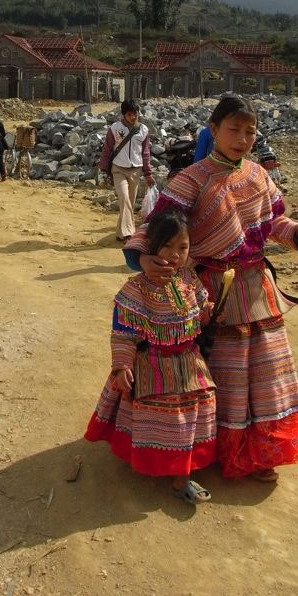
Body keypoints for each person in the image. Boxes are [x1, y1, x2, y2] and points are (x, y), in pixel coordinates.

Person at [123, 94, 298, 483]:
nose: (243, 139)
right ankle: (201, 448)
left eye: (250, 132)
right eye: (234, 129)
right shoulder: (191, 179)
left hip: (257, 289)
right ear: (213, 130)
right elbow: (155, 228)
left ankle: (259, 452)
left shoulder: (258, 175)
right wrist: (143, 258)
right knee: (215, 373)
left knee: (265, 372)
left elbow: (273, 224)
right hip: (209, 292)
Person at [84, 209, 217, 504]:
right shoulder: (135, 290)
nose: (174, 255)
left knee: (194, 415)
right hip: (153, 365)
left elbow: (202, 306)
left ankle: (183, 469)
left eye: (182, 248)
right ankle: (175, 473)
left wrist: (207, 313)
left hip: (191, 363)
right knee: (169, 418)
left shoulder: (189, 279)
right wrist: (121, 367)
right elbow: (123, 333)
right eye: (167, 247)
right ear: (152, 248)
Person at [99, 99, 155, 242]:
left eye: (135, 114)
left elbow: (146, 153)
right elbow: (107, 150)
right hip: (118, 169)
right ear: (123, 114)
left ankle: (120, 233)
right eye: (129, 114)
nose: (133, 117)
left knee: (129, 202)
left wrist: (148, 173)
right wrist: (104, 171)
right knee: (124, 200)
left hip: (136, 171)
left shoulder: (143, 130)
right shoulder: (115, 128)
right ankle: (129, 233)